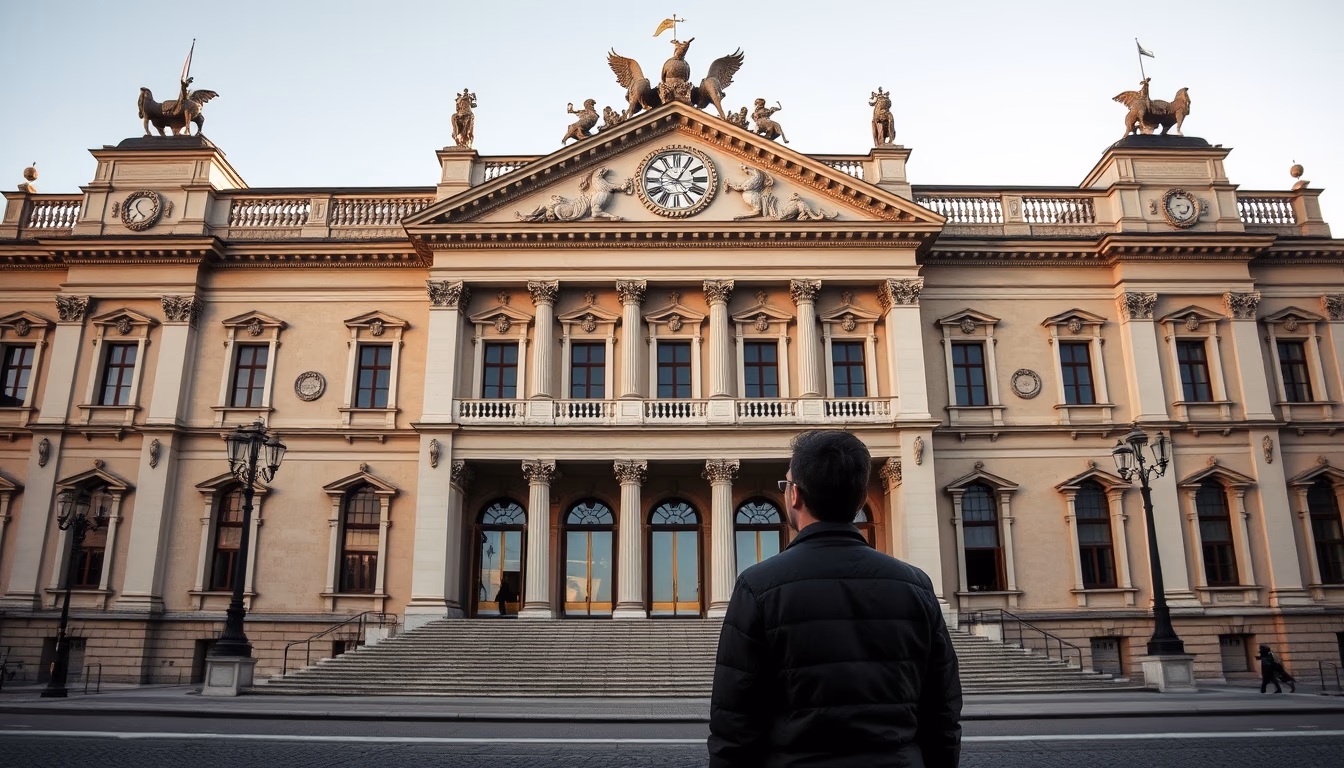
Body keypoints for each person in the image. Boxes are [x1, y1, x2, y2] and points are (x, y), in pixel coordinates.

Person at [708, 430, 962, 767]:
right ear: (859, 501)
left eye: (786, 485)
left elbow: (734, 726)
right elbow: (942, 714)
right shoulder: (915, 586)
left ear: (794, 495)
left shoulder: (757, 587)